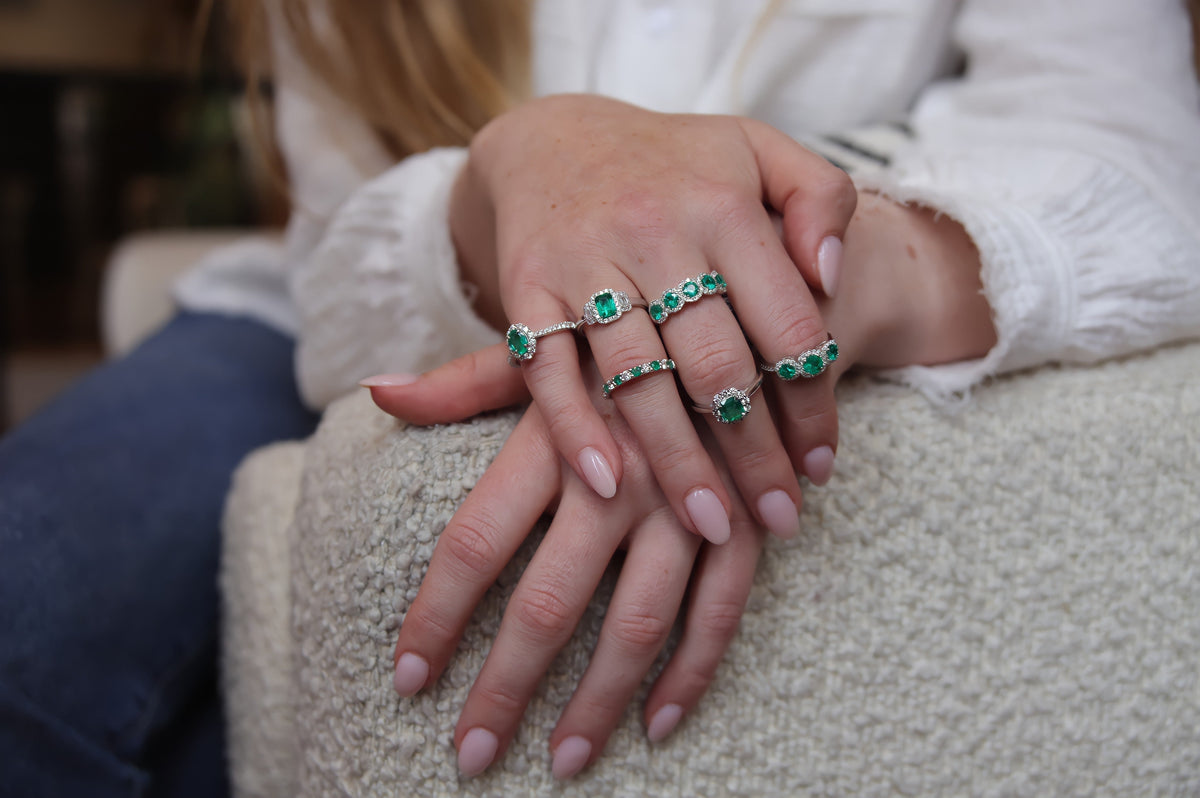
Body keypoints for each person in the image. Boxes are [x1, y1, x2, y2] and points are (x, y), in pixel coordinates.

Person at [1, 0, 1198, 794]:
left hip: (856, 267)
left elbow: (1142, 165)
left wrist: (804, 295)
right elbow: (336, 279)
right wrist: (512, 174)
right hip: (328, 319)